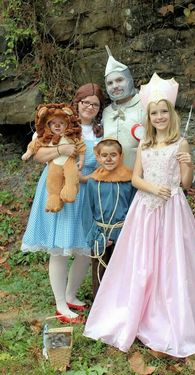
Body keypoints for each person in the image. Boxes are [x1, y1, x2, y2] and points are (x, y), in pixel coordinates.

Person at [83, 73, 195, 356]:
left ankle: (173, 313)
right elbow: (136, 178)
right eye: (154, 113)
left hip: (173, 208)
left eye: (164, 111)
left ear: (171, 114)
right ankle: (138, 310)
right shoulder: (145, 145)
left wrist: (187, 165)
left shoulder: (180, 144)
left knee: (172, 259)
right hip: (145, 207)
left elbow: (186, 184)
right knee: (141, 260)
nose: (160, 116)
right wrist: (151, 187)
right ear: (148, 117)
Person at [21, 83, 105, 323]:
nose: (89, 107)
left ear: (99, 109)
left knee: (84, 249)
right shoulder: (57, 124)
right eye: (85, 102)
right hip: (57, 186)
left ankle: (71, 295)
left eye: (95, 104)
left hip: (86, 187)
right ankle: (60, 303)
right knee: (60, 247)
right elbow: (38, 155)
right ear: (77, 103)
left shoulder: (100, 132)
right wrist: (62, 148)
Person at [81, 138, 136, 297]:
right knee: (99, 271)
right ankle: (99, 309)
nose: (109, 159)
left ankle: (122, 307)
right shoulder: (93, 181)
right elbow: (87, 212)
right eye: (104, 155)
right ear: (98, 157)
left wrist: (124, 235)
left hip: (123, 234)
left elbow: (134, 209)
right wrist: (97, 237)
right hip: (100, 234)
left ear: (121, 156)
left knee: (123, 271)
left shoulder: (129, 181)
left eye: (113, 154)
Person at [22, 103, 86, 212]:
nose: (57, 126)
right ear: (48, 125)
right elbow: (35, 145)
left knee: (71, 175)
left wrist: (81, 160)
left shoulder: (72, 136)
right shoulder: (46, 138)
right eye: (54, 123)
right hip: (54, 165)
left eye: (61, 123)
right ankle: (54, 199)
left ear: (67, 125)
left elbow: (81, 147)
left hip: (69, 162)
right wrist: (28, 152)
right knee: (52, 181)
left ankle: (70, 190)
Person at [102, 46, 145, 168]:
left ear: (129, 80)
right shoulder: (106, 112)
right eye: (110, 83)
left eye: (119, 80)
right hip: (112, 179)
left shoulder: (145, 105)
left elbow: (165, 139)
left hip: (140, 179)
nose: (115, 86)